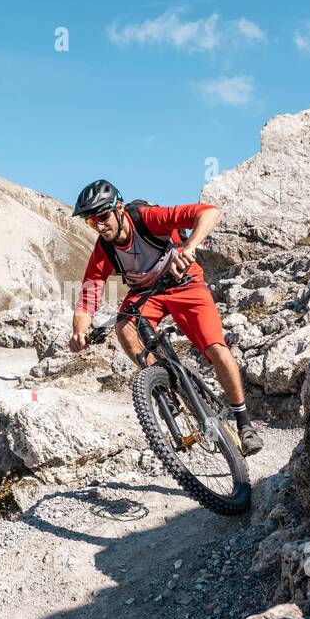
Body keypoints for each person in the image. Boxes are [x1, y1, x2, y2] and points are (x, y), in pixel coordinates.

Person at [67, 178, 263, 456]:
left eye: (102, 217)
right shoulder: (105, 249)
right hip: (147, 293)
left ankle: (244, 423)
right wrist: (79, 331)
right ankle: (164, 385)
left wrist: (189, 247)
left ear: (119, 208)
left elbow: (209, 212)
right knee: (124, 327)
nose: (99, 226)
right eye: (91, 222)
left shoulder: (147, 219)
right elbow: (88, 295)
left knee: (216, 347)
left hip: (184, 283)